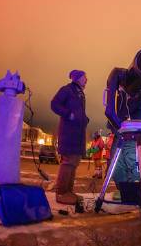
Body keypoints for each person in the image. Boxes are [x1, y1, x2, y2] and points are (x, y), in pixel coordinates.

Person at [51, 70, 89, 205]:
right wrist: (69, 115)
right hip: (68, 132)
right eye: (84, 77)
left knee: (74, 162)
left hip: (78, 133)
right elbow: (54, 104)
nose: (87, 79)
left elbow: (79, 112)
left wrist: (84, 119)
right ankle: (61, 193)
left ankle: (68, 191)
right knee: (68, 162)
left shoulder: (79, 93)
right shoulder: (67, 90)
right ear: (77, 78)